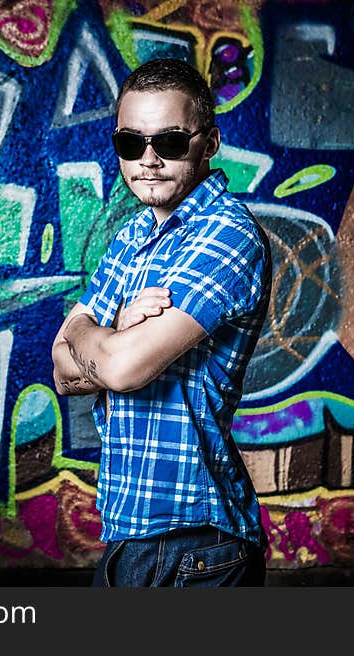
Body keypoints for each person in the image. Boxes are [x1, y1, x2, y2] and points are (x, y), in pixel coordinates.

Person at [51, 57, 272, 587]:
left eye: (169, 142)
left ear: (209, 143)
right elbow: (61, 373)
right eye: (130, 143)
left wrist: (94, 336)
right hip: (129, 530)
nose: (148, 160)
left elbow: (117, 369)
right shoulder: (130, 239)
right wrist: (110, 341)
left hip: (195, 541)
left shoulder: (228, 236)